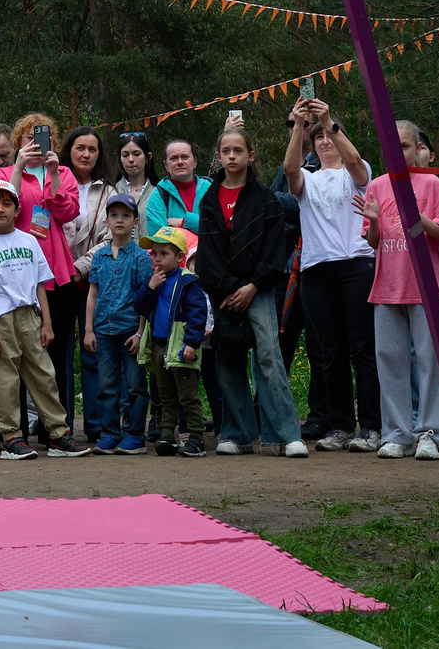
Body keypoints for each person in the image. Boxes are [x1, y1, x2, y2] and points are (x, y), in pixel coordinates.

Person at [193, 120, 304, 456]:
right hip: (224, 293)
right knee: (227, 359)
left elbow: (274, 249)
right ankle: (237, 435)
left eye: (237, 150)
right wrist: (227, 290)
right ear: (218, 156)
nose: (231, 156)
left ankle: (285, 436)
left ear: (250, 155)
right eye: (225, 151)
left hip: (259, 291)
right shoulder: (210, 200)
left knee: (269, 357)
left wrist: (253, 286)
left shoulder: (267, 199)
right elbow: (208, 253)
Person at [283, 97, 379, 455]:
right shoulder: (307, 179)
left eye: (330, 136)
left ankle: (371, 426)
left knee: (362, 349)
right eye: (319, 137)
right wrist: (299, 126)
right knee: (329, 352)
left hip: (356, 263)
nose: (324, 141)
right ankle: (340, 425)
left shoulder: (356, 173)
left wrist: (329, 122)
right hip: (317, 268)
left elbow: (355, 163)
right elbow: (291, 170)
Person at [0, 172, 85, 459]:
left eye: (6, 204)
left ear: (17, 209)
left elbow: (40, 285)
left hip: (30, 317)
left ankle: (58, 434)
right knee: (5, 381)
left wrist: (46, 322)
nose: (0, 209)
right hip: (2, 320)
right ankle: (11, 437)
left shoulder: (30, 240)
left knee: (44, 375)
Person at [361, 121, 439, 461]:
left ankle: (430, 433)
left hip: (426, 288)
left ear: (417, 149)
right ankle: (397, 434)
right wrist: (373, 220)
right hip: (386, 287)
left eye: (404, 145)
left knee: (431, 361)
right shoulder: (376, 185)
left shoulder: (430, 183)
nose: (397, 152)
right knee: (390, 360)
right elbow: (374, 241)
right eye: (391, 146)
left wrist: (417, 218)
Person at [82, 192, 152, 452]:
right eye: (114, 215)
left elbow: (145, 297)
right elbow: (93, 293)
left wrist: (141, 332)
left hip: (130, 330)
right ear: (107, 220)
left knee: (135, 384)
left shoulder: (141, 257)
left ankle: (135, 435)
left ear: (135, 222)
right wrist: (88, 330)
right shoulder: (99, 256)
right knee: (106, 385)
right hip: (103, 331)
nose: (119, 220)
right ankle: (110, 433)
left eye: (125, 215)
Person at [56, 127, 113, 435]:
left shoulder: (109, 191)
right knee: (60, 355)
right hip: (55, 282)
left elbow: (112, 237)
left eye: (92, 149)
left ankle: (95, 424)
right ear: (69, 150)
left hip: (93, 281)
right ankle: (60, 426)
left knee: (93, 352)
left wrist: (79, 267)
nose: (86, 154)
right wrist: (61, 269)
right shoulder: (52, 182)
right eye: (80, 148)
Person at [135, 224, 210, 456]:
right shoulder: (154, 280)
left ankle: (196, 438)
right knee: (165, 395)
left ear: (179, 257)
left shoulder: (189, 281)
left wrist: (191, 343)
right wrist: (149, 287)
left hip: (180, 348)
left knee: (187, 395)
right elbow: (140, 307)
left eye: (163, 254)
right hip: (159, 346)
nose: (157, 259)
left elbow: (198, 315)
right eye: (154, 253)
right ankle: (168, 435)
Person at [142, 138, 208, 241]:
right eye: (174, 158)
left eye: (185, 157)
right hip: (177, 257)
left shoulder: (210, 190)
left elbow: (219, 228)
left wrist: (184, 222)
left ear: (195, 161)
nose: (180, 162)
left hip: (211, 256)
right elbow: (160, 239)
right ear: (166, 165)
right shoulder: (159, 196)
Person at [111, 132, 154, 213]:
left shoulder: (160, 193)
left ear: (148, 157)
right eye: (125, 155)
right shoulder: (111, 191)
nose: (130, 159)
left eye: (136, 154)